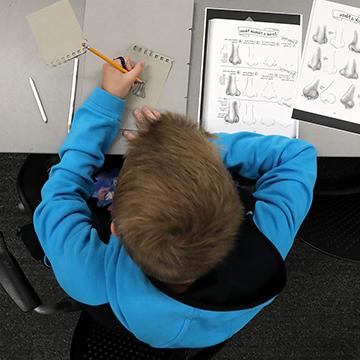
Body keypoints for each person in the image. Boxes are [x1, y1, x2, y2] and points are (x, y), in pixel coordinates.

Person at [33, 57, 317, 349]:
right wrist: (195, 149)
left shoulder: (83, 272)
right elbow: (297, 156)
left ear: (115, 228)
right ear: (233, 205)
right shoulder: (268, 241)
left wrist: (106, 103)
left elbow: (61, 189)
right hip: (210, 324)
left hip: (129, 313)